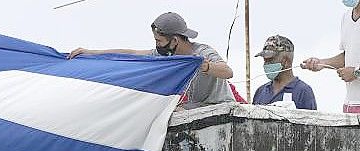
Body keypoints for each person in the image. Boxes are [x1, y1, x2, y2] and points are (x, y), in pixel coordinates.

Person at [69, 12, 235, 109]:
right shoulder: (166, 55)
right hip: (195, 110)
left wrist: (203, 65)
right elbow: (133, 53)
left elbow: (227, 72)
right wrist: (92, 53)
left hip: (220, 109)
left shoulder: (202, 51)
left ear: (175, 40)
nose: (157, 45)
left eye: (159, 41)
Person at [253, 35, 317, 110]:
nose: (266, 65)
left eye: (270, 60)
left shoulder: (303, 91)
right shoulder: (260, 91)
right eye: (265, 60)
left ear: (286, 62)